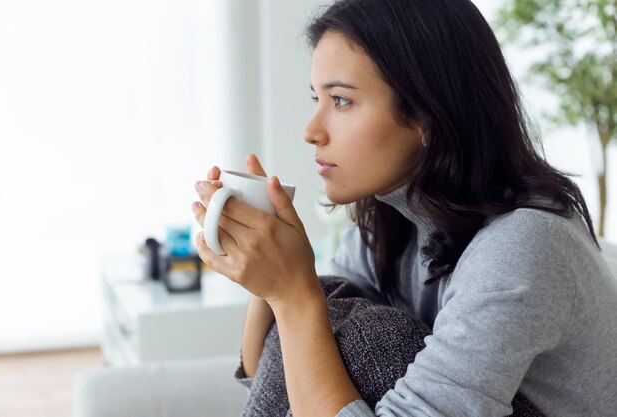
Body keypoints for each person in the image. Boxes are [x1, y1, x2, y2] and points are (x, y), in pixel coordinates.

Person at [191, 0, 617, 416]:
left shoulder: (524, 246)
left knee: (354, 332)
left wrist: (293, 295)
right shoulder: (388, 219)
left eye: (340, 100)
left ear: (426, 113)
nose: (311, 130)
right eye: (316, 99)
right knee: (325, 312)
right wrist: (268, 279)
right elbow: (276, 381)